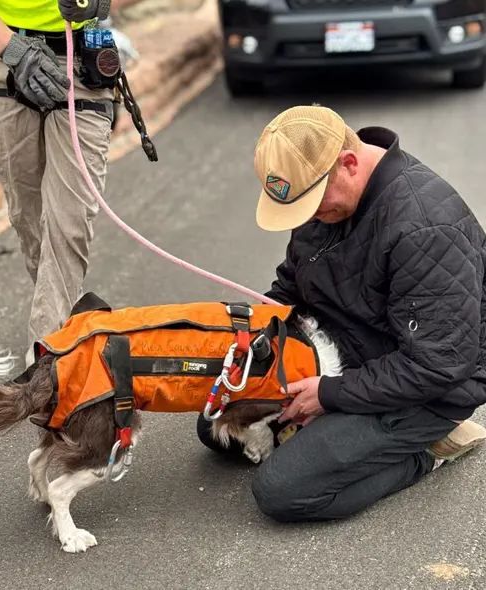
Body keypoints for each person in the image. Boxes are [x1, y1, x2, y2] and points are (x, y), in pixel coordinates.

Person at [197, 104, 486, 523]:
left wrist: (327, 394)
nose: (310, 217)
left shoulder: (425, 228)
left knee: (283, 491)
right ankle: (322, 432)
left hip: (430, 389)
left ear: (349, 163)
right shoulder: (324, 199)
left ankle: (427, 452)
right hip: (345, 352)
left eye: (313, 203)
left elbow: (437, 366)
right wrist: (252, 342)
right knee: (216, 426)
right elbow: (289, 288)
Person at [0, 0, 116, 365]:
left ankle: (45, 364)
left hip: (81, 61)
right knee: (30, 223)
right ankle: (62, 331)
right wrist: (8, 47)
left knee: (69, 222)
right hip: (4, 58)